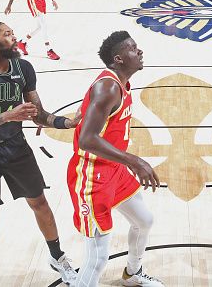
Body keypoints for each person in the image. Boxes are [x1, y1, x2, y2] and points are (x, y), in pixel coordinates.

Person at [0, 21, 80, 286]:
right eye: (8, 35)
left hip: (16, 147)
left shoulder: (23, 68)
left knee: (40, 204)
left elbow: (39, 114)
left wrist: (64, 123)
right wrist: (8, 116)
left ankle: (57, 258)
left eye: (13, 34)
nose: (14, 38)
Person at [67, 31, 163, 286]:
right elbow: (87, 139)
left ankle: (132, 273)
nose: (139, 51)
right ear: (118, 59)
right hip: (91, 176)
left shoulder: (119, 83)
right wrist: (135, 161)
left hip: (113, 170)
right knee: (97, 258)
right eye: (133, 49)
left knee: (144, 221)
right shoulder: (109, 86)